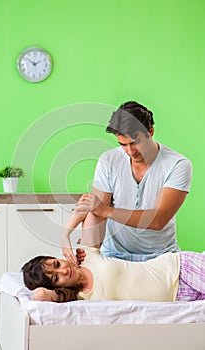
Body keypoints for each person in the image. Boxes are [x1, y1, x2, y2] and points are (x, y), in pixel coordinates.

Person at [62, 101, 193, 264]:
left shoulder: (177, 164)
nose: (130, 151)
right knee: (94, 215)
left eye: (135, 142)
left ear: (150, 131)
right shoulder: (109, 160)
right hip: (114, 255)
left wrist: (107, 211)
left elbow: (158, 220)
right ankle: (91, 265)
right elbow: (95, 207)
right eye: (123, 145)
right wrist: (66, 235)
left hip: (160, 257)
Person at [22, 212, 205, 303]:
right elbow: (39, 295)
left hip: (178, 269)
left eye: (57, 263)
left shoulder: (87, 257)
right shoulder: (80, 298)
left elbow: (93, 208)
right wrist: (57, 293)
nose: (63, 270)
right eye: (56, 277)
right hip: (178, 298)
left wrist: (65, 235)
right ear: (56, 287)